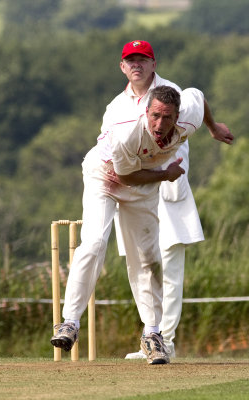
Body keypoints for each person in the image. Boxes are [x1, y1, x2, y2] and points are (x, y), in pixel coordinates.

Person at [50, 84, 233, 365]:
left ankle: (152, 335)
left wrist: (213, 128)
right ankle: (70, 322)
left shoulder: (189, 117)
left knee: (147, 259)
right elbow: (126, 178)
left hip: (145, 181)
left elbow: (198, 95)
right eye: (155, 116)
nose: (160, 124)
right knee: (95, 241)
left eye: (167, 117)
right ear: (146, 112)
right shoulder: (127, 133)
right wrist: (166, 174)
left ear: (177, 116)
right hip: (107, 176)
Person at [100, 40, 233, 359]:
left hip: (169, 190)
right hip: (135, 192)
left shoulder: (171, 93)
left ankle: (166, 341)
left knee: (169, 267)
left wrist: (213, 128)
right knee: (143, 267)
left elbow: (198, 97)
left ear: (153, 63)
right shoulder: (116, 107)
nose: (137, 65)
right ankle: (152, 336)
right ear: (122, 66)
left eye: (142, 60)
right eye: (130, 60)